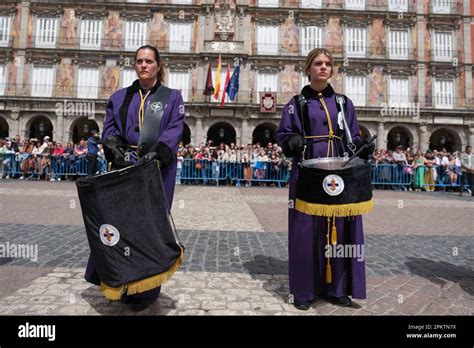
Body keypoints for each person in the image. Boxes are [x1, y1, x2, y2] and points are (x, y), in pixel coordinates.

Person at [84, 45, 185, 311]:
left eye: (149, 61)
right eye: (139, 61)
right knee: (120, 225)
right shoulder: (119, 97)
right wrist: (114, 147)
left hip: (156, 171)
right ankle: (118, 281)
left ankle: (145, 290)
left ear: (158, 66)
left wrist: (159, 153)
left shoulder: (172, 97)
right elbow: (110, 129)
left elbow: (175, 129)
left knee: (149, 228)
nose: (144, 65)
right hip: (123, 170)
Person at [274, 48, 374, 311]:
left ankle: (337, 288)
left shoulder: (344, 103)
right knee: (305, 230)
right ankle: (304, 290)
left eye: (328, 64)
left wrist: (363, 147)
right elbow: (283, 134)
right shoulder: (295, 104)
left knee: (340, 228)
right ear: (308, 69)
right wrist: (291, 141)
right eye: (318, 63)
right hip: (308, 171)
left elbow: (352, 137)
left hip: (340, 172)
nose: (323, 68)